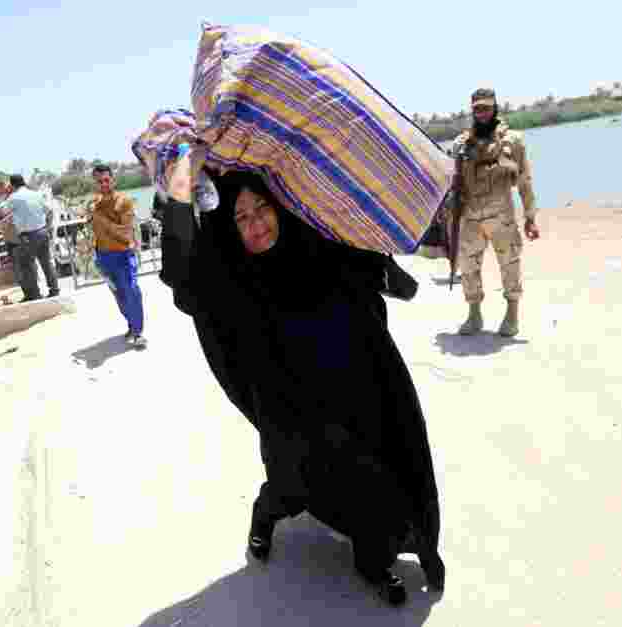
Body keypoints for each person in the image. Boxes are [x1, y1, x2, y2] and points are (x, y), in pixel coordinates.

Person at [158, 170, 445, 605]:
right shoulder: (229, 277)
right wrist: (180, 194)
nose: (256, 225)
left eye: (263, 209)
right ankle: (264, 516)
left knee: (378, 475)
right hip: (286, 409)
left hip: (353, 392)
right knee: (293, 482)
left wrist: (388, 262)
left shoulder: (316, 246)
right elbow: (183, 274)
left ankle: (374, 561)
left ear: (280, 206)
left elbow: (369, 256)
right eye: (241, 218)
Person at [450, 87, 540, 337]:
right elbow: (452, 184)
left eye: (486, 107)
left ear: (495, 108)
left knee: (509, 264)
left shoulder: (514, 140)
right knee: (468, 267)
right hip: (470, 217)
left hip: (502, 216)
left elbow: (525, 182)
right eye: (477, 108)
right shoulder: (460, 144)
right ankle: (474, 314)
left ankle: (512, 314)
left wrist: (530, 217)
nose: (481, 112)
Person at [89, 164, 146, 349]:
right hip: (103, 258)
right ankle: (131, 325)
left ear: (112, 180)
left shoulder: (124, 201)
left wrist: (102, 220)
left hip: (123, 254)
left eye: (106, 180)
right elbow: (93, 228)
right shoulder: (94, 202)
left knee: (132, 291)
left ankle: (138, 333)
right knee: (119, 295)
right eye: (99, 181)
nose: (103, 184)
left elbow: (126, 233)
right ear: (95, 183)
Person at [7, 174, 59, 302]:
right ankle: (54, 290)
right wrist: (48, 227)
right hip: (42, 232)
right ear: (23, 182)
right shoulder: (37, 194)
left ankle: (35, 294)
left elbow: (9, 219)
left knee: (26, 265)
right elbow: (50, 211)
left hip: (28, 236)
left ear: (12, 185)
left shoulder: (12, 199)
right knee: (46, 263)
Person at [0, 179, 24, 290]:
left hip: (27, 237)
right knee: (18, 270)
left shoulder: (20, 199)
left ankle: (35, 292)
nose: (6, 187)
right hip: (12, 241)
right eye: (1, 186)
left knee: (31, 267)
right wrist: (8, 220)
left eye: (6, 185)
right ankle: (28, 293)